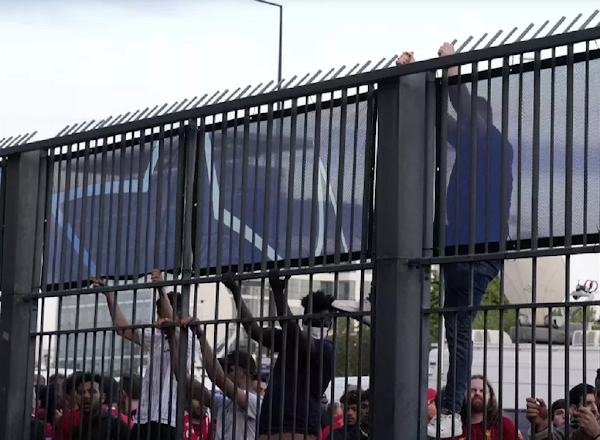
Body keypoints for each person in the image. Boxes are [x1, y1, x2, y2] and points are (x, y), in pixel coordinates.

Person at [395, 43, 514, 438]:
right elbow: (440, 121)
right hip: (457, 251)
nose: (463, 128)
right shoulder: (468, 145)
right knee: (454, 331)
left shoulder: (497, 145)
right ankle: (449, 402)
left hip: (478, 252)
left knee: (458, 332)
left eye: (472, 121)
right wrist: (415, 80)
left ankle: (450, 406)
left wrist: (451, 73)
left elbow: (463, 117)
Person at [223, 271, 335, 440]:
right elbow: (254, 330)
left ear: (330, 325)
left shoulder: (326, 349)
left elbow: (292, 329)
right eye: (310, 320)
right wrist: (236, 291)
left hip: (298, 429)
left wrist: (277, 292)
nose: (315, 325)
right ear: (304, 319)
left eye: (322, 321)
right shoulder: (288, 340)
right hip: (268, 428)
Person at [93, 269, 199, 440]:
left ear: (178, 313)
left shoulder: (190, 340)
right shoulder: (157, 338)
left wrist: (161, 290)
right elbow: (123, 330)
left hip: (167, 420)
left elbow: (176, 332)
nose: (158, 316)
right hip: (144, 418)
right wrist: (109, 295)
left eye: (160, 311)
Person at [156, 315, 260, 440]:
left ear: (244, 374)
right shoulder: (225, 404)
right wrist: (172, 337)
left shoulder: (255, 402)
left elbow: (219, 378)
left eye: (228, 369)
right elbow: (183, 377)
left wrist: (200, 335)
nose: (225, 372)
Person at [441, 375, 522, 440]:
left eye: (482, 391)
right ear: (463, 395)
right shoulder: (451, 428)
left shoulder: (504, 425)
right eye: (472, 390)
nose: (477, 393)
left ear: (490, 397)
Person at [527, 384, 600, 440]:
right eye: (588, 404)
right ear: (574, 409)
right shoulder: (564, 433)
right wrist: (542, 426)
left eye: (595, 403)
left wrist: (596, 434)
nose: (594, 408)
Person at [69, 373, 130, 440]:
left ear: (103, 397)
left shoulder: (116, 426)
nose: (86, 396)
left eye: (92, 392)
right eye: (81, 392)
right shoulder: (78, 430)